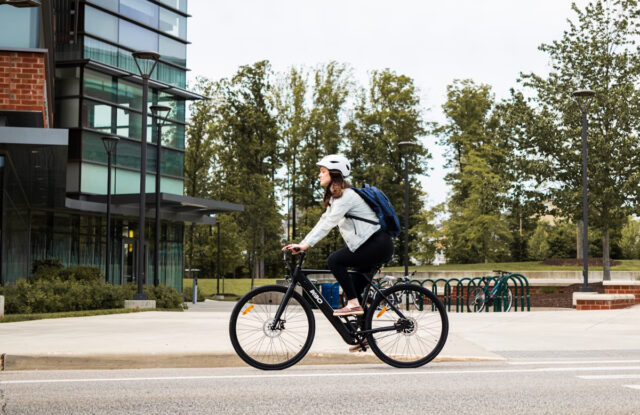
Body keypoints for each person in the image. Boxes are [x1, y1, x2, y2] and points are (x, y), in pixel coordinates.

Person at [282, 154, 394, 318]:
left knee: (335, 260)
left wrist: (306, 245)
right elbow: (324, 220)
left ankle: (354, 304)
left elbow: (329, 224)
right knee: (352, 292)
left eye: (323, 171)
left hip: (378, 245)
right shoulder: (337, 198)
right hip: (370, 246)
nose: (319, 175)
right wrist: (303, 242)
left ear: (334, 173)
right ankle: (363, 336)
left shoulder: (346, 196)